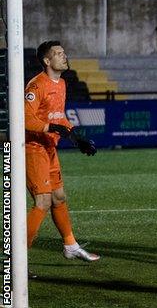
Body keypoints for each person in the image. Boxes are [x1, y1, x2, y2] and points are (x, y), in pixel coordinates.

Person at [25, 40, 99, 262]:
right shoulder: (36, 86)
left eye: (64, 53)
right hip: (33, 148)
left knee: (59, 197)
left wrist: (77, 137)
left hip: (49, 148)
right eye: (58, 54)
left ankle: (70, 245)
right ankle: (16, 259)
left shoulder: (62, 83)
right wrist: (50, 127)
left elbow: (58, 117)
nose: (64, 56)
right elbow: (25, 118)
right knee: (43, 202)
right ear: (47, 61)